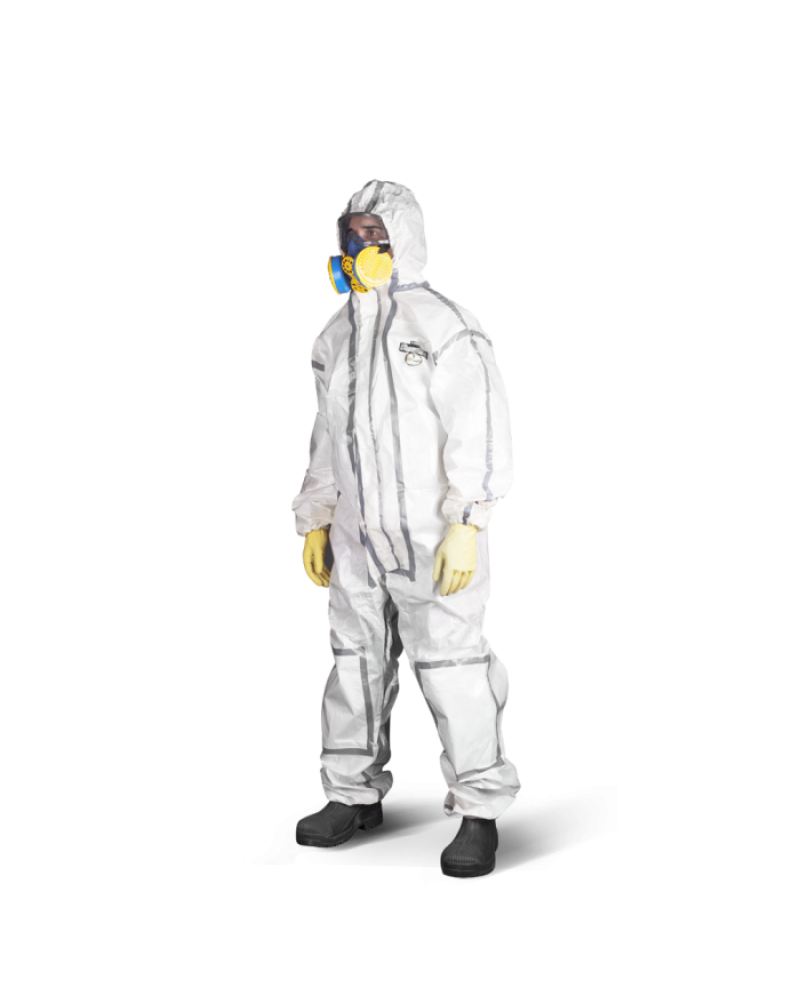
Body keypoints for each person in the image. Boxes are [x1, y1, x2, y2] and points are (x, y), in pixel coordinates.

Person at [291, 178, 521, 880]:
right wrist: (316, 517)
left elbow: (481, 426)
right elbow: (326, 437)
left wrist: (468, 521)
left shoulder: (442, 323)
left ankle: (479, 809)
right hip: (357, 537)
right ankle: (350, 794)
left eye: (375, 235)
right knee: (354, 662)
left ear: (405, 240)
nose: (362, 246)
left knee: (452, 666)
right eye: (352, 236)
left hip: (432, 534)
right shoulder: (335, 335)